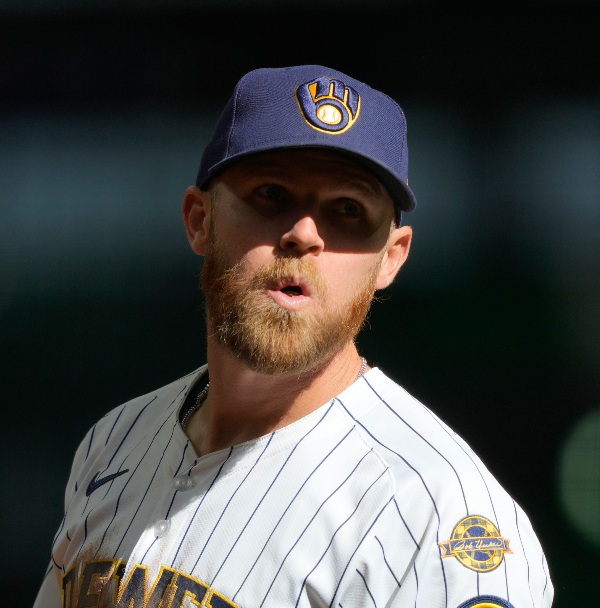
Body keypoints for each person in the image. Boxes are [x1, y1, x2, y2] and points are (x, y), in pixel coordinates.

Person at [32, 65, 553, 608]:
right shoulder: (116, 439)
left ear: (390, 258)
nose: (304, 233)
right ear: (199, 220)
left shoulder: (434, 514)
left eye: (347, 210)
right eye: (271, 193)